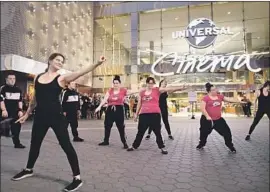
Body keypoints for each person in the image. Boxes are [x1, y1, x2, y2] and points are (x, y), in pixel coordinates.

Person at [11, 53, 106, 192]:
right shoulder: (38, 77)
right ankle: (28, 169)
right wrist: (27, 114)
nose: (60, 63)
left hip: (57, 117)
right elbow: (35, 99)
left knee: (66, 146)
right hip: (40, 117)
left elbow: (81, 72)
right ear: (50, 60)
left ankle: (77, 178)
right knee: (35, 144)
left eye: (62, 61)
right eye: (57, 60)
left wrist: (97, 63)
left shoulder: (61, 78)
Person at [127, 77, 187, 154]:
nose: (150, 85)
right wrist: (136, 114)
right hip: (144, 115)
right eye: (149, 83)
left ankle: (162, 147)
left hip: (155, 114)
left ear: (154, 84)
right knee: (140, 132)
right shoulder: (142, 92)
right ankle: (134, 146)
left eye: (152, 83)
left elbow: (168, 89)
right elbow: (139, 103)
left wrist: (180, 88)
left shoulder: (157, 90)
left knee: (157, 132)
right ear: (147, 83)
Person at [196, 83, 245, 153]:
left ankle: (230, 146)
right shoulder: (205, 98)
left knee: (227, 132)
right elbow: (202, 109)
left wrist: (239, 101)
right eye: (213, 90)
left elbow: (229, 99)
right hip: (207, 120)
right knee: (204, 133)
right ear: (209, 91)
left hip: (218, 119)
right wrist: (207, 116)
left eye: (215, 89)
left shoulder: (220, 96)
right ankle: (201, 144)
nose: (215, 90)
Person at [95, 75, 138, 149]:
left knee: (121, 127)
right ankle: (106, 141)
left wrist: (141, 90)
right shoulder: (110, 90)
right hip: (110, 110)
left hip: (119, 110)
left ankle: (124, 142)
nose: (115, 84)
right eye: (114, 83)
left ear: (119, 84)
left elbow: (132, 92)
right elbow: (105, 99)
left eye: (117, 83)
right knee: (107, 125)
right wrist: (99, 107)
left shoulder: (123, 90)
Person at [0, 72, 25, 148]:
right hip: (5, 113)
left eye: (14, 79)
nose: (12, 80)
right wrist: (3, 110)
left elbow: (20, 101)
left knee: (16, 129)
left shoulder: (18, 89)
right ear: (6, 80)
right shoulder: (2, 89)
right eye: (10, 79)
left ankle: (17, 144)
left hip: (15, 113)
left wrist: (20, 110)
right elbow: (1, 100)